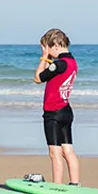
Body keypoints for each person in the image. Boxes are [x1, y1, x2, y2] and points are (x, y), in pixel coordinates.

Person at [33, 29, 80, 185]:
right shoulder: (72, 62)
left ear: (55, 45)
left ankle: (57, 186)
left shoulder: (59, 64)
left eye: (47, 48)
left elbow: (38, 78)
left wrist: (44, 58)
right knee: (68, 150)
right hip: (66, 109)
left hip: (54, 112)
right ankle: (75, 183)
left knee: (55, 152)